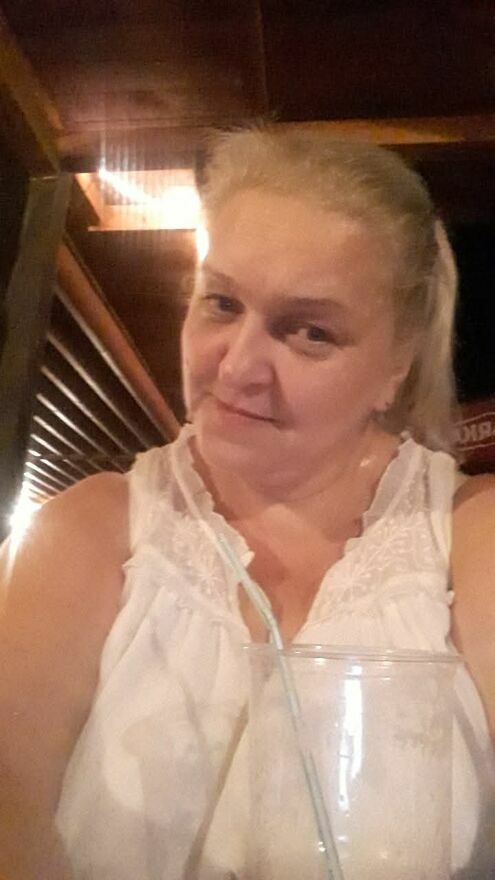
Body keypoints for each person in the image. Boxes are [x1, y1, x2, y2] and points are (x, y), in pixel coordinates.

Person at [0, 127, 494, 880]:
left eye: (310, 332)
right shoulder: (90, 530)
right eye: (222, 303)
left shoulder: (468, 536)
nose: (235, 369)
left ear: (397, 363)